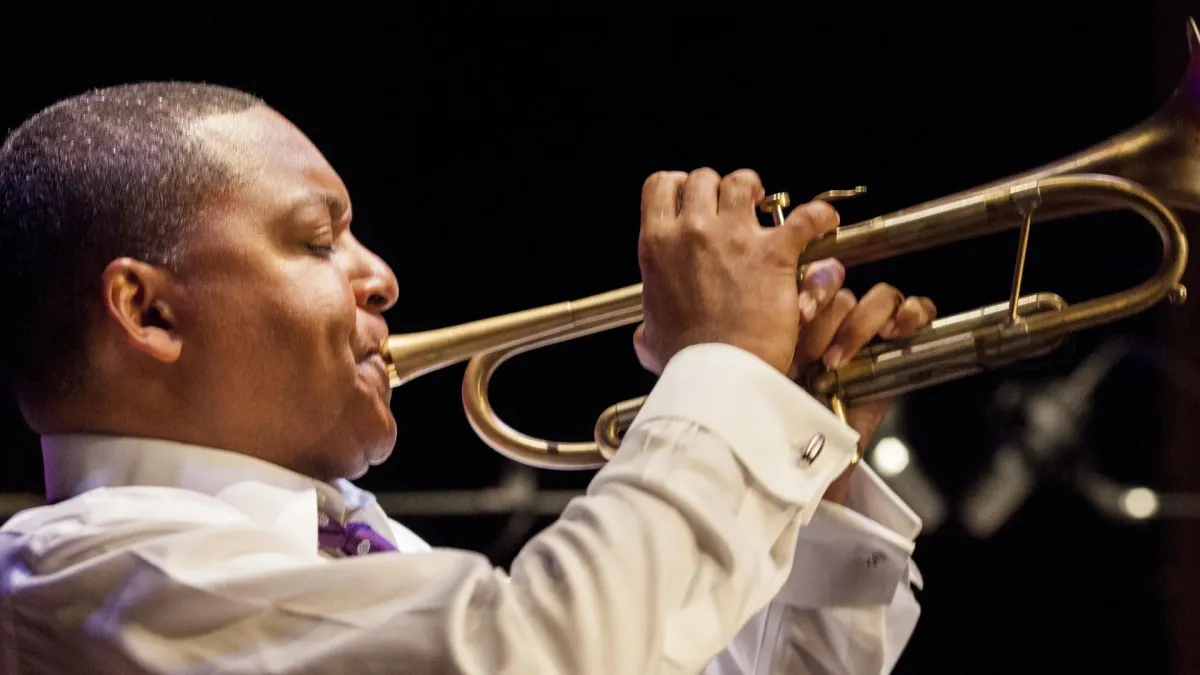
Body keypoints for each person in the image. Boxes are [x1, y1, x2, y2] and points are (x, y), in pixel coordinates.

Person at [0, 83, 935, 674]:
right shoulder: (83, 574)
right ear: (149, 311)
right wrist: (723, 365)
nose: (382, 277)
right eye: (318, 241)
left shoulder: (364, 552)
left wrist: (806, 449)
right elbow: (536, 657)